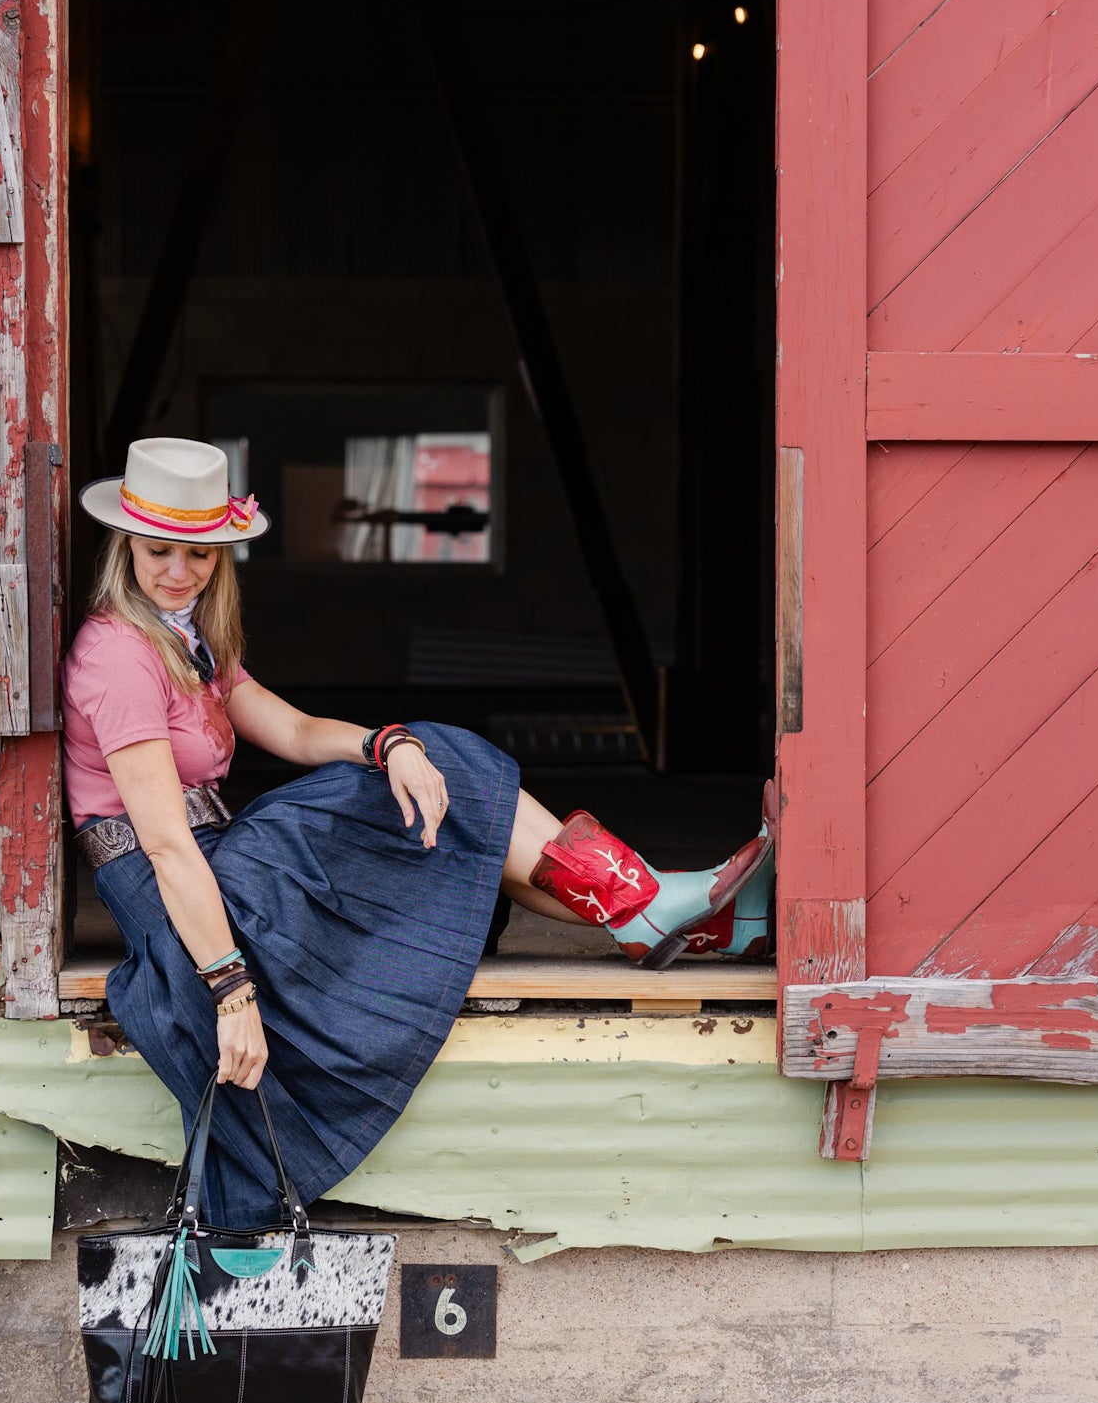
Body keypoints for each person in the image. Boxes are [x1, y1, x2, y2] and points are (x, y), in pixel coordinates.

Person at [63, 438, 773, 1227]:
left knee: (431, 789)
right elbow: (164, 846)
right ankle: (648, 909)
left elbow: (294, 731)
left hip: (220, 861)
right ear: (126, 545)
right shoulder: (118, 657)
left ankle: (654, 916)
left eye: (200, 554)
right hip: (176, 888)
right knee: (442, 791)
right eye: (159, 551)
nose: (178, 571)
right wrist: (230, 992)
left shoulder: (188, 636)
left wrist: (390, 743)